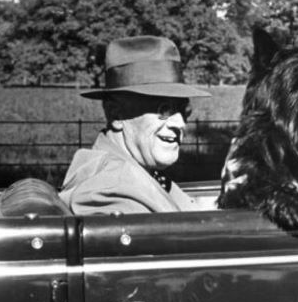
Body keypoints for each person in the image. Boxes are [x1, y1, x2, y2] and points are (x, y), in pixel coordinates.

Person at [60, 36, 211, 215]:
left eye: (184, 111)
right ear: (116, 114)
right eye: (164, 110)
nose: (180, 124)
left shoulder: (139, 172)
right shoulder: (112, 193)